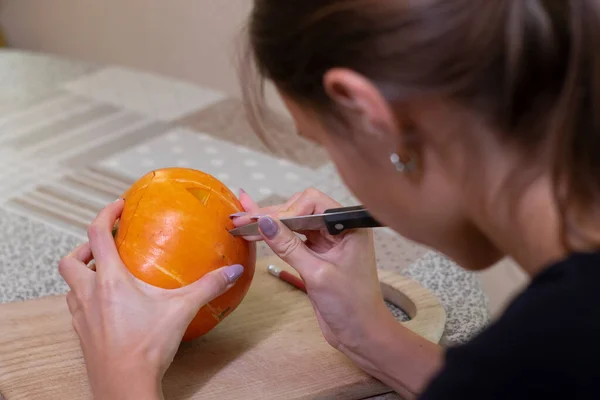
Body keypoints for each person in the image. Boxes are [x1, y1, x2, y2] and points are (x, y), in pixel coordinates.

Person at [59, 0, 600, 398]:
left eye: (323, 142)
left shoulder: (550, 348)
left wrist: (124, 375)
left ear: (371, 116)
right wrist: (369, 336)